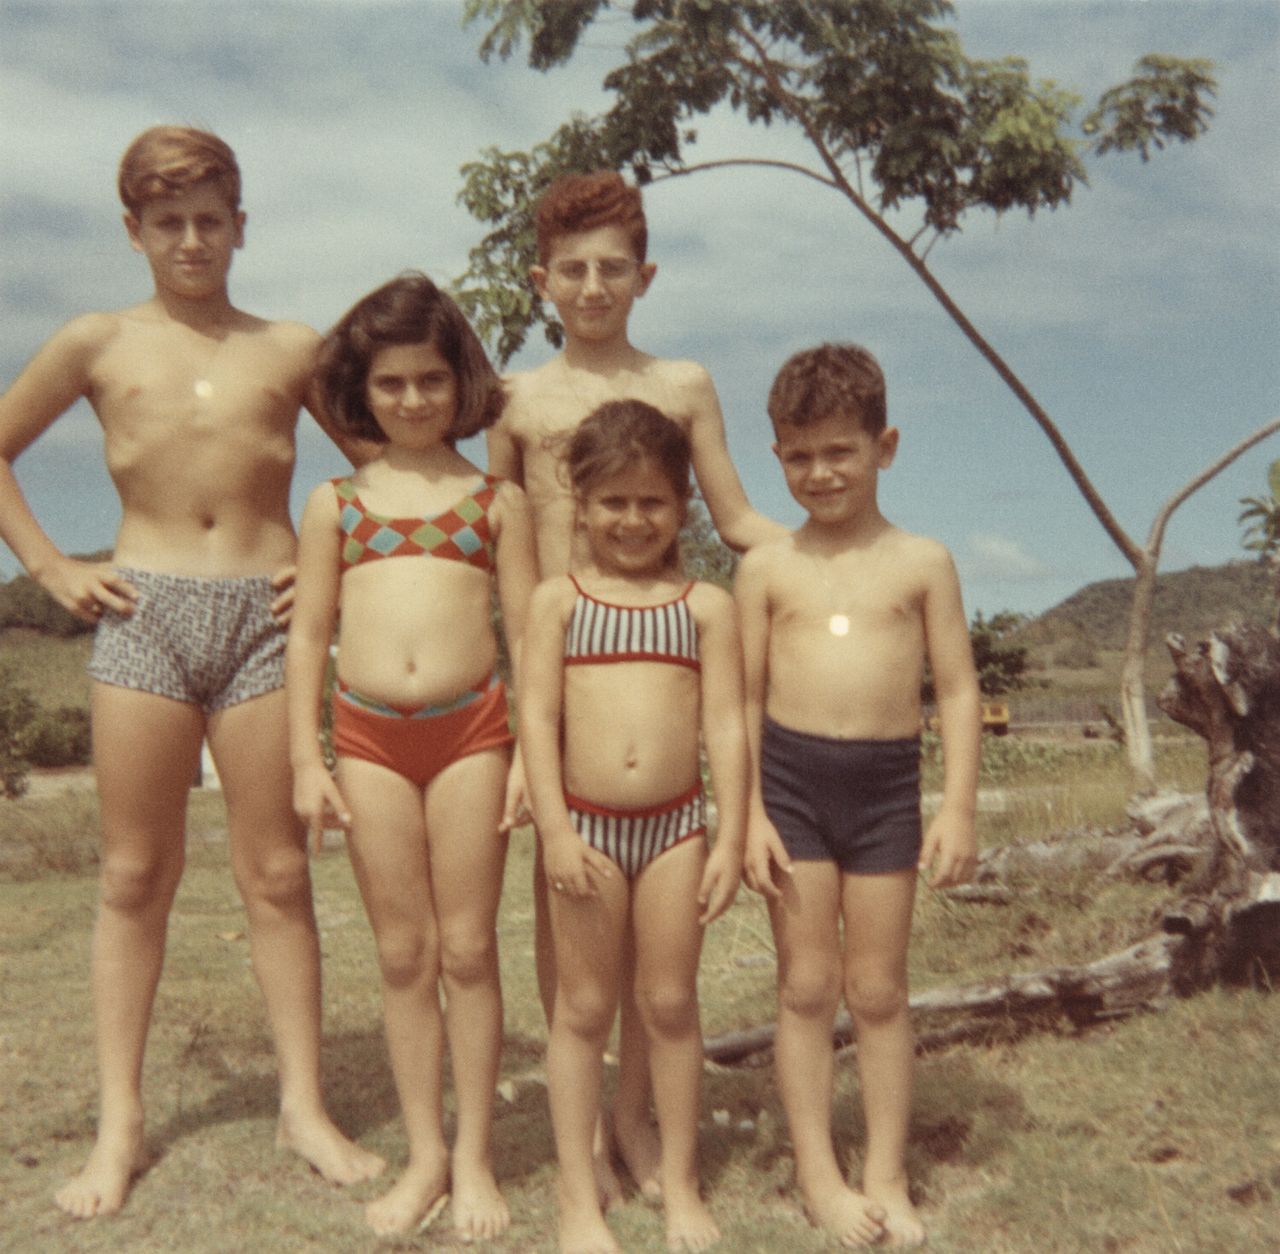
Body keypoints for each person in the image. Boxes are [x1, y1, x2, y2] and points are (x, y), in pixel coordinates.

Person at [0, 125, 383, 1220]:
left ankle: (303, 1106)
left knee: (277, 873)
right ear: (134, 231)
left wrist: (336, 569)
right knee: (132, 875)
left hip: (266, 619)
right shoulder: (96, 341)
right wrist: (49, 566)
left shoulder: (291, 349)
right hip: (144, 614)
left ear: (240, 226)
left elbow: (382, 469)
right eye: (168, 223)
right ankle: (119, 1124)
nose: (191, 240)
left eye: (210, 220)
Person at [490, 168, 784, 1199]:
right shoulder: (515, 400)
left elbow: (736, 518)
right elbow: (504, 549)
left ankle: (634, 1121)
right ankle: (584, 1144)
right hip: (557, 673)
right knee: (572, 933)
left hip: (658, 659)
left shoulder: (684, 384)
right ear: (541, 281)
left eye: (612, 268)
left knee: (660, 977)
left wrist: (840, 553)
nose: (592, 286)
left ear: (644, 276)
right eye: (571, 269)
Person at [287, 272, 537, 1239]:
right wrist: (307, 760)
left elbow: (527, 638)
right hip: (367, 740)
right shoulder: (336, 504)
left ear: (460, 379)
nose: (412, 399)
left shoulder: (494, 503)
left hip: (473, 732)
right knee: (403, 952)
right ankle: (426, 1154)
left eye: (431, 379)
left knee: (468, 948)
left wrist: (530, 758)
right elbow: (309, 637)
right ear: (362, 390)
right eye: (389, 383)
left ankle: (474, 1159)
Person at [734, 343, 981, 1249]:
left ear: (886, 446)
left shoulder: (924, 563)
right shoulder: (766, 568)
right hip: (790, 787)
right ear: (777, 457)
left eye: (840, 450)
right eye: (799, 456)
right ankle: (817, 1172)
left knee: (877, 988)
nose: (820, 472)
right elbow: (740, 702)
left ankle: (885, 1172)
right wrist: (747, 813)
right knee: (806, 985)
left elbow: (958, 690)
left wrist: (957, 806)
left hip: (884, 790)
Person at [518, 400, 747, 1254]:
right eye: (612, 501)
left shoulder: (705, 607)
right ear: (580, 505)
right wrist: (553, 830)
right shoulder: (558, 602)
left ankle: (679, 1180)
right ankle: (579, 1198)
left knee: (670, 1003)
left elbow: (726, 726)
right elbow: (537, 719)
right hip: (585, 830)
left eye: (652, 501)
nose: (632, 519)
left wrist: (731, 835)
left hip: (676, 831)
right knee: (582, 1008)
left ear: (683, 504)